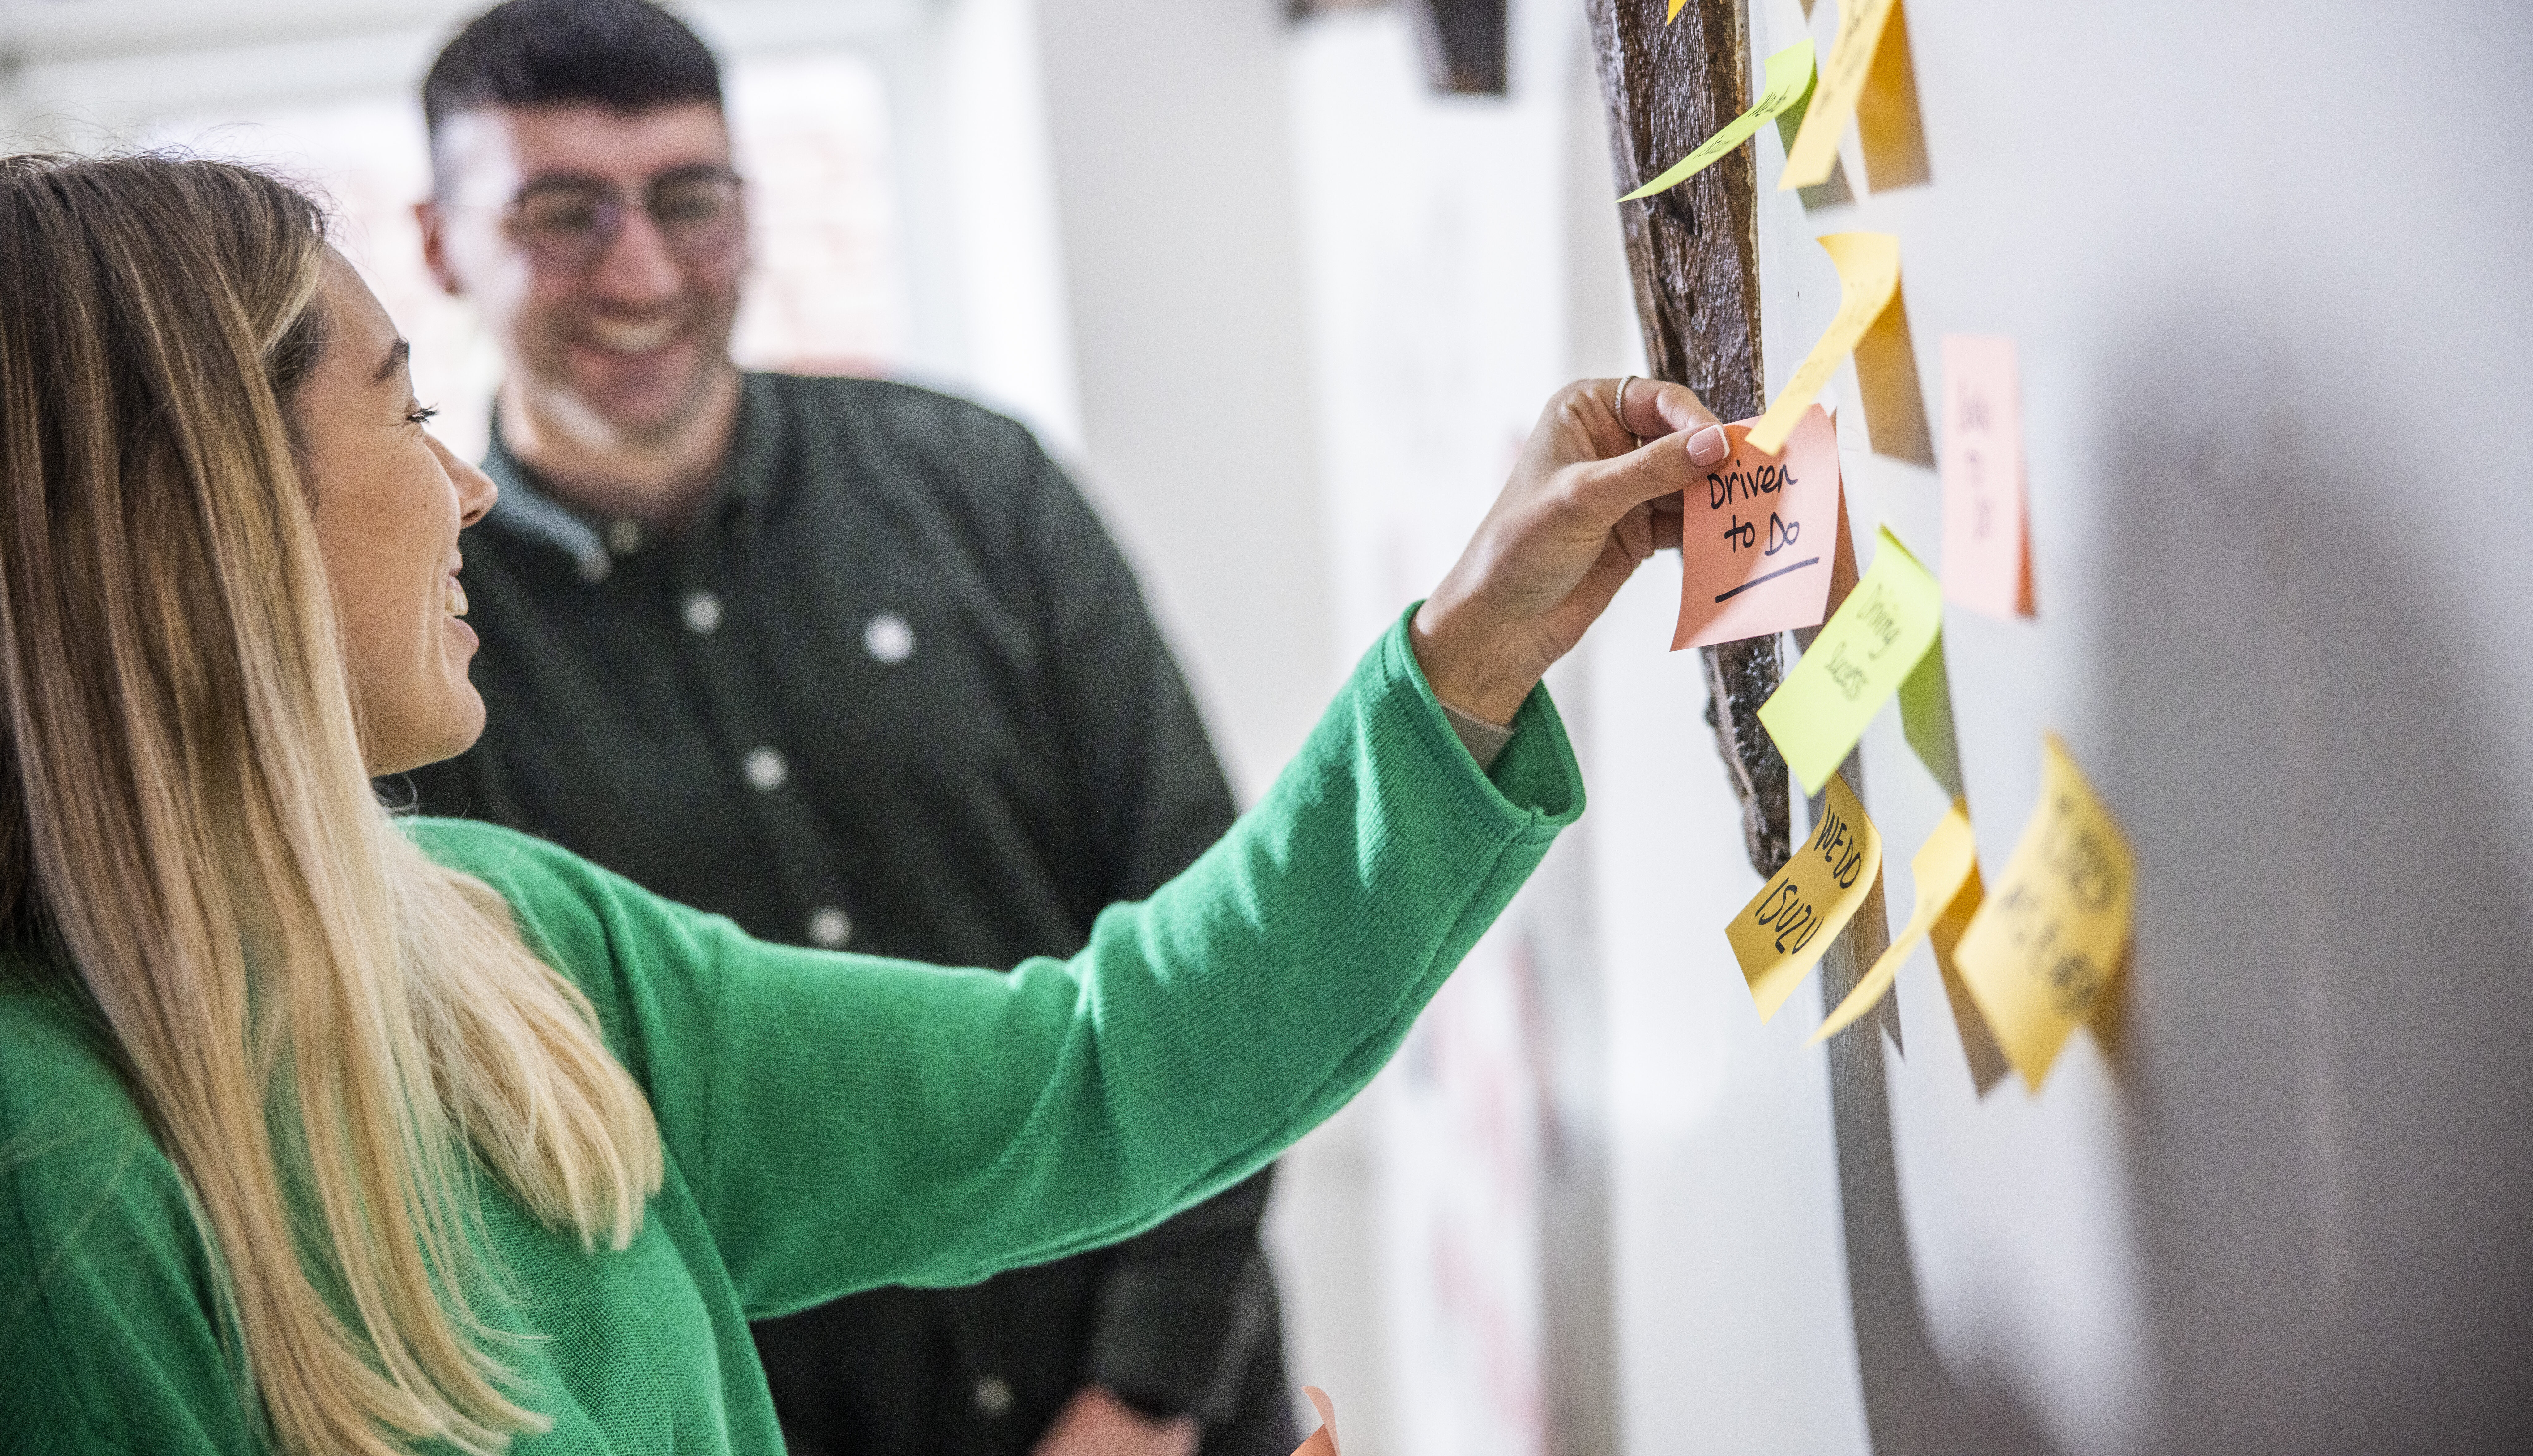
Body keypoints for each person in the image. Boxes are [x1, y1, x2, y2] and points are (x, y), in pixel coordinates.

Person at [0, 152, 1720, 1456]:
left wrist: (1478, 641)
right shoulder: (52, 1177)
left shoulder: (499, 936)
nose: (462, 484)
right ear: (204, 520)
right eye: (409, 411)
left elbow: (1095, 1073)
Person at [395, 2, 1288, 1450]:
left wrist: (1147, 1386)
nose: (642, 268)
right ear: (442, 240)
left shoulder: (981, 487)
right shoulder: (417, 649)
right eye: (561, 216)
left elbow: (1208, 915)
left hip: (1181, 1406)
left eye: (689, 201)